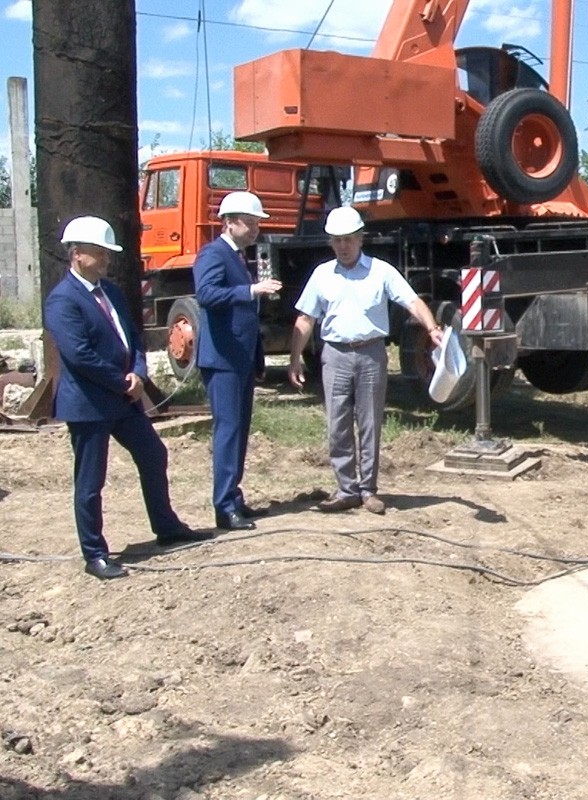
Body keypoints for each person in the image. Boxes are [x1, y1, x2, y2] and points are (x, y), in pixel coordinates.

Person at [46, 216, 210, 580]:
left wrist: (138, 372)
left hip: (123, 398)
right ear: (77, 254)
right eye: (100, 252)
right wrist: (122, 382)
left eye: (108, 252)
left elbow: (132, 339)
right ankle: (95, 554)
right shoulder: (63, 300)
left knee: (153, 453)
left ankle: (166, 527)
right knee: (91, 480)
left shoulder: (113, 293)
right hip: (90, 404)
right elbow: (78, 355)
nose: (106, 259)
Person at [287, 207, 443, 514]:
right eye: (336, 241)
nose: (343, 246)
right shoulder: (322, 275)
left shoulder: (380, 271)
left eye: (348, 239)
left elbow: (411, 300)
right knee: (337, 424)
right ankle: (346, 489)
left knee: (370, 421)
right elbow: (305, 319)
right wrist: (294, 360)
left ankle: (368, 490)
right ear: (330, 243)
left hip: (371, 352)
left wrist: (432, 328)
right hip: (334, 354)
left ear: (360, 239)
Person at [193, 191, 282, 531]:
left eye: (258, 222)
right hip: (222, 359)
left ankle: (233, 498)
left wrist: (257, 356)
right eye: (251, 222)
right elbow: (206, 294)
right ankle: (224, 505)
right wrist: (250, 291)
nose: (257, 228)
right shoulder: (213, 254)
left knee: (239, 430)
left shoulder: (238, 257)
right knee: (228, 430)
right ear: (229, 222)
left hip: (239, 359)